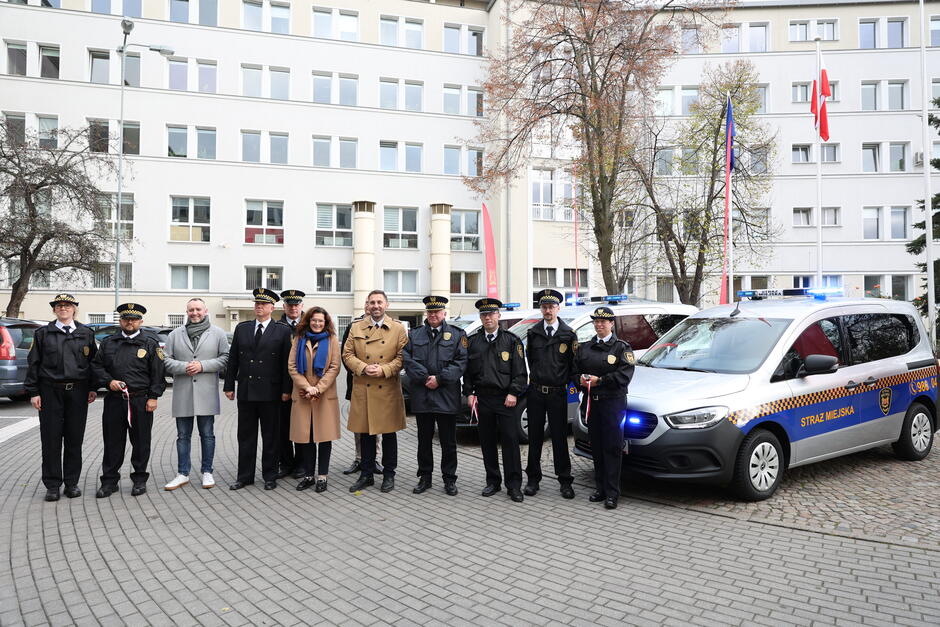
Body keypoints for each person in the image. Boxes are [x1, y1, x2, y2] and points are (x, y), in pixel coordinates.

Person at [25, 294, 97, 501]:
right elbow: (34, 363)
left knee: (75, 438)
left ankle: (72, 483)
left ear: (74, 309)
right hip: (50, 391)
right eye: (59, 305)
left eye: (67, 305)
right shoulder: (43, 333)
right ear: (54, 310)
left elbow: (93, 363)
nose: (63, 308)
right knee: (51, 439)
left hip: (78, 392)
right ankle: (53, 485)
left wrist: (93, 387)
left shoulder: (86, 333)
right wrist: (34, 392)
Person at [92, 303, 166, 498]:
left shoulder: (150, 344)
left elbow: (158, 373)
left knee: (141, 442)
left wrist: (153, 397)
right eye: (126, 319)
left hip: (140, 401)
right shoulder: (108, 343)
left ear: (141, 321)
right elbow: (97, 367)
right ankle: (109, 482)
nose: (129, 322)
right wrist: (108, 381)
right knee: (112, 442)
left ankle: (139, 480)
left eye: (134, 319)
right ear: (121, 321)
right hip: (115, 401)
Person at [224, 288, 292, 491]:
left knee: (271, 436)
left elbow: (285, 364)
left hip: (271, 392)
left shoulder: (282, 330)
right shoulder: (242, 328)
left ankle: (270, 475)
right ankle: (244, 476)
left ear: (272, 307)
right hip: (246, 391)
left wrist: (286, 390)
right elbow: (233, 358)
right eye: (257, 303)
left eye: (263, 304)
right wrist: (229, 385)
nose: (259, 307)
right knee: (245, 436)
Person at [463, 298, 528, 502]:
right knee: (487, 443)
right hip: (483, 399)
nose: (487, 318)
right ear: (480, 318)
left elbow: (520, 373)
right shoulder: (473, 342)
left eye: (491, 314)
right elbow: (468, 373)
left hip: (505, 399)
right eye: (484, 315)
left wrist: (513, 393)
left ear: (499, 316)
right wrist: (470, 394)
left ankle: (514, 485)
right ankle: (493, 481)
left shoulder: (511, 341)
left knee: (510, 442)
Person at [342, 290, 407, 493]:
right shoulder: (356, 327)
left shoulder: (398, 329)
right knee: (366, 434)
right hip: (363, 387)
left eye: (379, 302)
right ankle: (366, 474)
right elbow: (347, 353)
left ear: (386, 304)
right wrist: (362, 367)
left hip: (387, 387)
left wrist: (384, 369)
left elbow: (402, 356)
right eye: (372, 302)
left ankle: (389, 475)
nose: (376, 306)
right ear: (367, 305)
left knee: (389, 435)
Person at [162, 298, 229, 491]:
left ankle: (207, 471)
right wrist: (185, 367)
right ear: (187, 311)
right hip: (183, 391)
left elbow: (225, 357)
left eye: (198, 309)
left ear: (205, 310)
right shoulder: (175, 334)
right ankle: (183, 473)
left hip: (206, 392)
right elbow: (166, 360)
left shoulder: (218, 334)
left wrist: (203, 365)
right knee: (183, 435)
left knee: (207, 434)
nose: (195, 313)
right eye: (191, 310)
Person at [403, 296, 468, 496]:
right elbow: (405, 357)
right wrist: (425, 378)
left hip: (446, 395)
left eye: (437, 312)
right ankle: (425, 477)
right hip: (422, 395)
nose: (433, 315)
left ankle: (449, 479)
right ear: (426, 313)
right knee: (424, 440)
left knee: (448, 442)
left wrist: (439, 379)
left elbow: (461, 362)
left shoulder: (457, 335)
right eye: (430, 312)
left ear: (444, 313)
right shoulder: (414, 335)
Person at [573, 306, 635, 510]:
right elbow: (574, 371)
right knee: (597, 447)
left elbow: (624, 376)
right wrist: (580, 380)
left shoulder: (621, 348)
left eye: (603, 322)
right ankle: (600, 488)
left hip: (612, 404)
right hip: (592, 404)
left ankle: (612, 493)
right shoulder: (585, 347)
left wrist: (601, 380)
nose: (599, 325)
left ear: (611, 324)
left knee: (612, 448)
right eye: (596, 322)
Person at [524, 289, 577, 499]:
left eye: (551, 307)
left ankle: (565, 481)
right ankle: (533, 479)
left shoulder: (568, 334)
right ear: (541, 309)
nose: (548, 310)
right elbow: (531, 360)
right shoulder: (533, 332)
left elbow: (573, 365)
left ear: (558, 308)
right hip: (536, 392)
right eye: (544, 307)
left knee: (559, 438)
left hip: (557, 393)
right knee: (535, 437)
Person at [288, 306, 341, 492]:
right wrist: (306, 387)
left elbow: (335, 367)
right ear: (308, 321)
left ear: (325, 323)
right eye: (314, 320)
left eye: (320, 321)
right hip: (303, 395)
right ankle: (309, 475)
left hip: (324, 396)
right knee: (306, 437)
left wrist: (317, 389)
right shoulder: (299, 339)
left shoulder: (332, 340)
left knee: (324, 437)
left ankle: (323, 477)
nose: (317, 323)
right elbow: (292, 366)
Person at [340, 308, 383, 476]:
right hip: (357, 382)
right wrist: (359, 370)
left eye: (373, 303)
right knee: (359, 425)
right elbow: (346, 355)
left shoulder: (383, 326)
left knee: (377, 423)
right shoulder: (353, 326)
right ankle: (359, 458)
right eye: (368, 304)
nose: (370, 307)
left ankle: (375, 459)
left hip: (378, 383)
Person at [277, 289, 305, 478]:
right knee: (282, 426)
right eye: (290, 305)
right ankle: (285, 463)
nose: (293, 308)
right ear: (284, 306)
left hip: (303, 384)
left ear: (302, 306)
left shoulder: (311, 325)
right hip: (280, 385)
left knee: (302, 425)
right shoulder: (276, 326)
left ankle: (302, 464)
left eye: (297, 305)